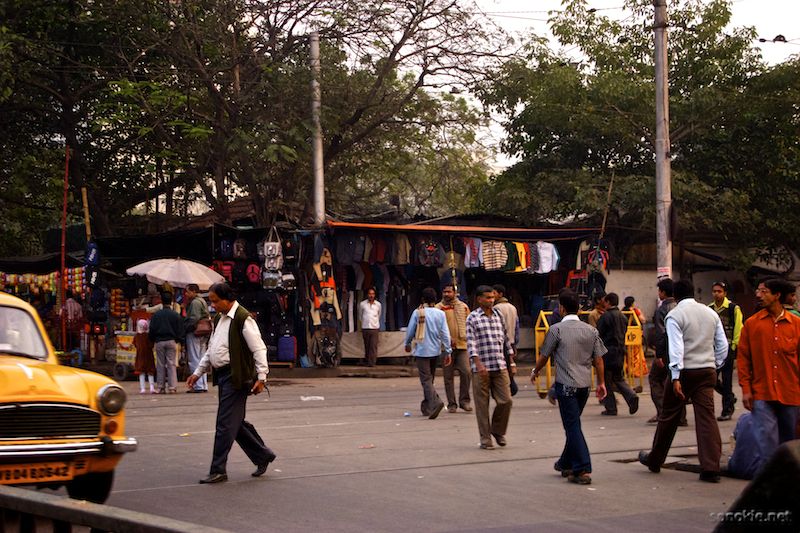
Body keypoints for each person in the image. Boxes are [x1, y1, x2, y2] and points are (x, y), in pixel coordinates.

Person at [639, 280, 728, 483]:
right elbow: (722, 345)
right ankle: (710, 467)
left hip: (685, 371)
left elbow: (676, 348)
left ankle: (655, 459)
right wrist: (715, 364)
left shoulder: (675, 315)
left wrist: (676, 375)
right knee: (706, 418)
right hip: (706, 370)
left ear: (676, 296)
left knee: (669, 415)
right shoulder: (710, 313)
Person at [187, 283, 275, 484]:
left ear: (228, 299)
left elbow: (259, 349)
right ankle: (262, 455)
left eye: (216, 300)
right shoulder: (219, 319)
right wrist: (198, 372)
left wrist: (262, 378)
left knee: (225, 423)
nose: (213, 305)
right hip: (225, 376)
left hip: (237, 377)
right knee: (234, 422)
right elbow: (211, 349)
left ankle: (218, 469)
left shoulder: (243, 319)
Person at [531, 289, 607, 485]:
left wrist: (535, 371)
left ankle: (582, 468)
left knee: (572, 426)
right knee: (574, 425)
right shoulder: (591, 330)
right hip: (584, 386)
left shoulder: (556, 330)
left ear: (561, 308)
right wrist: (602, 383)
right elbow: (599, 360)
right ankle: (565, 462)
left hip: (565, 386)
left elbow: (544, 355)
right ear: (579, 308)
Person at [737, 277, 800, 469]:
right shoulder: (752, 324)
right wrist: (746, 389)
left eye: (763, 291)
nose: (758, 295)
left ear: (777, 295)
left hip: (791, 393)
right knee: (766, 445)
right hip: (761, 393)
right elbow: (743, 360)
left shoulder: (796, 325)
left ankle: (787, 488)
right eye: (758, 291)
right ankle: (769, 489)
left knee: (789, 445)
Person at [466, 285, 513, 450]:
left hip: (499, 365)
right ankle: (486, 439)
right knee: (482, 405)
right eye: (487, 297)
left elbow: (506, 338)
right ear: (479, 299)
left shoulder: (498, 315)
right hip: (481, 369)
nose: (491, 300)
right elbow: (471, 343)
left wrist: (511, 361)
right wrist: (477, 363)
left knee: (506, 400)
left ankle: (498, 430)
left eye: (492, 297)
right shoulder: (473, 318)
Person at [404, 287, 452, 419]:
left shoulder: (418, 313)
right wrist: (448, 351)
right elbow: (445, 334)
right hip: (435, 350)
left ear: (423, 299)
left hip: (422, 350)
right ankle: (428, 405)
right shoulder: (440, 313)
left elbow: (410, 330)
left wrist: (407, 343)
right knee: (430, 379)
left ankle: (435, 402)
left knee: (426, 380)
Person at [648, 279, 686, 425]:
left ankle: (663, 412)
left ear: (663, 292)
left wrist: (659, 355)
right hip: (680, 351)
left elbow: (661, 334)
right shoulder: (679, 307)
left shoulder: (662, 310)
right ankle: (680, 416)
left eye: (659, 291)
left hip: (667, 352)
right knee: (675, 381)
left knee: (655, 379)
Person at [596, 293, 639, 416]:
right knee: (618, 378)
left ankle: (611, 407)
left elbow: (598, 335)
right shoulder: (622, 316)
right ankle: (631, 395)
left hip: (608, 353)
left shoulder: (605, 317)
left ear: (608, 302)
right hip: (620, 351)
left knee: (607, 381)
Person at [708, 281, 743, 421]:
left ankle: (727, 410)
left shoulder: (733, 308)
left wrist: (734, 347)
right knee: (712, 379)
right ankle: (730, 397)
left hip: (728, 348)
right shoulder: (709, 308)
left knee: (727, 380)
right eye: (714, 291)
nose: (716, 294)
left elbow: (738, 328)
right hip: (713, 350)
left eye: (719, 291)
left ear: (725, 293)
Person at [436, 284, 472, 412]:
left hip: (462, 346)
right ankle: (452, 404)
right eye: (445, 292)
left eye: (449, 292)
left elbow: (470, 324)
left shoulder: (463, 307)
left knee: (466, 372)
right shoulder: (438, 308)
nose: (447, 294)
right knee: (448, 377)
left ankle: (464, 401)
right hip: (445, 348)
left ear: (455, 293)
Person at [148, 292, 184, 394]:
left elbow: (152, 330)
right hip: (172, 341)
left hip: (159, 341)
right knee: (171, 364)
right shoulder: (175, 315)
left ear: (161, 302)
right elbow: (180, 330)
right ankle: (172, 387)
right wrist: (179, 340)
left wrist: (152, 339)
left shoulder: (156, 315)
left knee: (160, 364)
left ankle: (160, 387)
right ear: (171, 302)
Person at [492, 284, 519, 394]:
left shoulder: (496, 309)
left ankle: (510, 388)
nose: (492, 296)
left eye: (494, 293)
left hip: (501, 343)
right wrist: (515, 343)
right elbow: (517, 327)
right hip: (511, 341)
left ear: (500, 294)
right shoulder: (513, 307)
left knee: (502, 368)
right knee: (508, 366)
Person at [184, 283, 210, 393]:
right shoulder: (202, 301)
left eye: (188, 291)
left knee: (194, 359)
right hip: (203, 332)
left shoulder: (195, 303)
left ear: (194, 291)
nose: (186, 293)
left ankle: (197, 385)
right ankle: (203, 384)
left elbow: (194, 318)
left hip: (195, 332)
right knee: (201, 358)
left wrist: (185, 326)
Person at [358, 287, 381, 366]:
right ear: (367, 295)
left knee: (373, 346)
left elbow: (379, 315)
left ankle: (372, 362)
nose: (371, 295)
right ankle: (367, 361)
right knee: (367, 346)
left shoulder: (378, 304)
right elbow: (360, 316)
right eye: (370, 294)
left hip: (374, 328)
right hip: (365, 327)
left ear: (374, 295)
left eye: (373, 294)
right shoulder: (362, 304)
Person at [133, 318, 156, 394]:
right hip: (149, 355)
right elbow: (151, 345)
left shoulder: (137, 336)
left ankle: (143, 388)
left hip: (140, 356)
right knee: (150, 372)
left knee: (141, 372)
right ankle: (152, 387)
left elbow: (135, 344)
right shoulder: (148, 336)